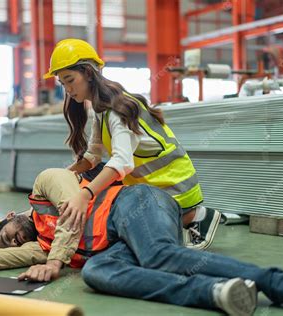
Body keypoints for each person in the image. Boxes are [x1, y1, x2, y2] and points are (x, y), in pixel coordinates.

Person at [0, 168, 283, 316]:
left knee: (158, 254)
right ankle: (217, 293)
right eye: (12, 242)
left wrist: (55, 262)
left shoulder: (45, 186)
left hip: (135, 204)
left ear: (9, 216)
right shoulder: (39, 243)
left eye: (10, 232)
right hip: (116, 245)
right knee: (98, 271)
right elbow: (5, 260)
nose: (16, 238)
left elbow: (73, 209)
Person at [44, 38, 220, 250]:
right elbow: (93, 156)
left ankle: (195, 217)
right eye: (63, 83)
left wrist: (85, 195)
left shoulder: (117, 109)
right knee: (92, 177)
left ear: (89, 73)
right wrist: (65, 175)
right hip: (152, 187)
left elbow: (122, 161)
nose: (68, 89)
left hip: (175, 186)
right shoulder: (101, 110)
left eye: (70, 80)